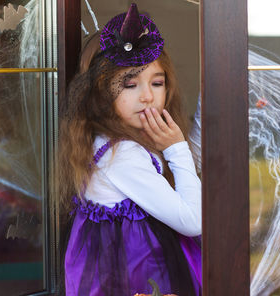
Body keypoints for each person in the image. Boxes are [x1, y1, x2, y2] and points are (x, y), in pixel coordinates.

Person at [60, 3, 202, 296]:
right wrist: (177, 149)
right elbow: (192, 221)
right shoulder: (123, 154)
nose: (148, 96)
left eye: (157, 83)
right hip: (140, 282)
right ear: (101, 92)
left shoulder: (102, 141)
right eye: (130, 84)